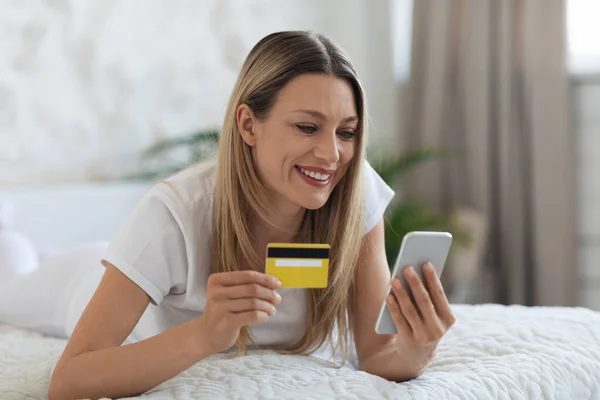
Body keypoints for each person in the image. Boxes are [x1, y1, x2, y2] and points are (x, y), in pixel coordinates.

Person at [0, 31, 456, 400]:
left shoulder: (356, 195)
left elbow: (378, 355)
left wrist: (418, 349)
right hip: (85, 284)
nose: (331, 153)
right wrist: (204, 335)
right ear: (248, 125)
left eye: (347, 132)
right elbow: (69, 381)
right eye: (307, 127)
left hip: (121, 262)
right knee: (10, 277)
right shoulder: (175, 213)